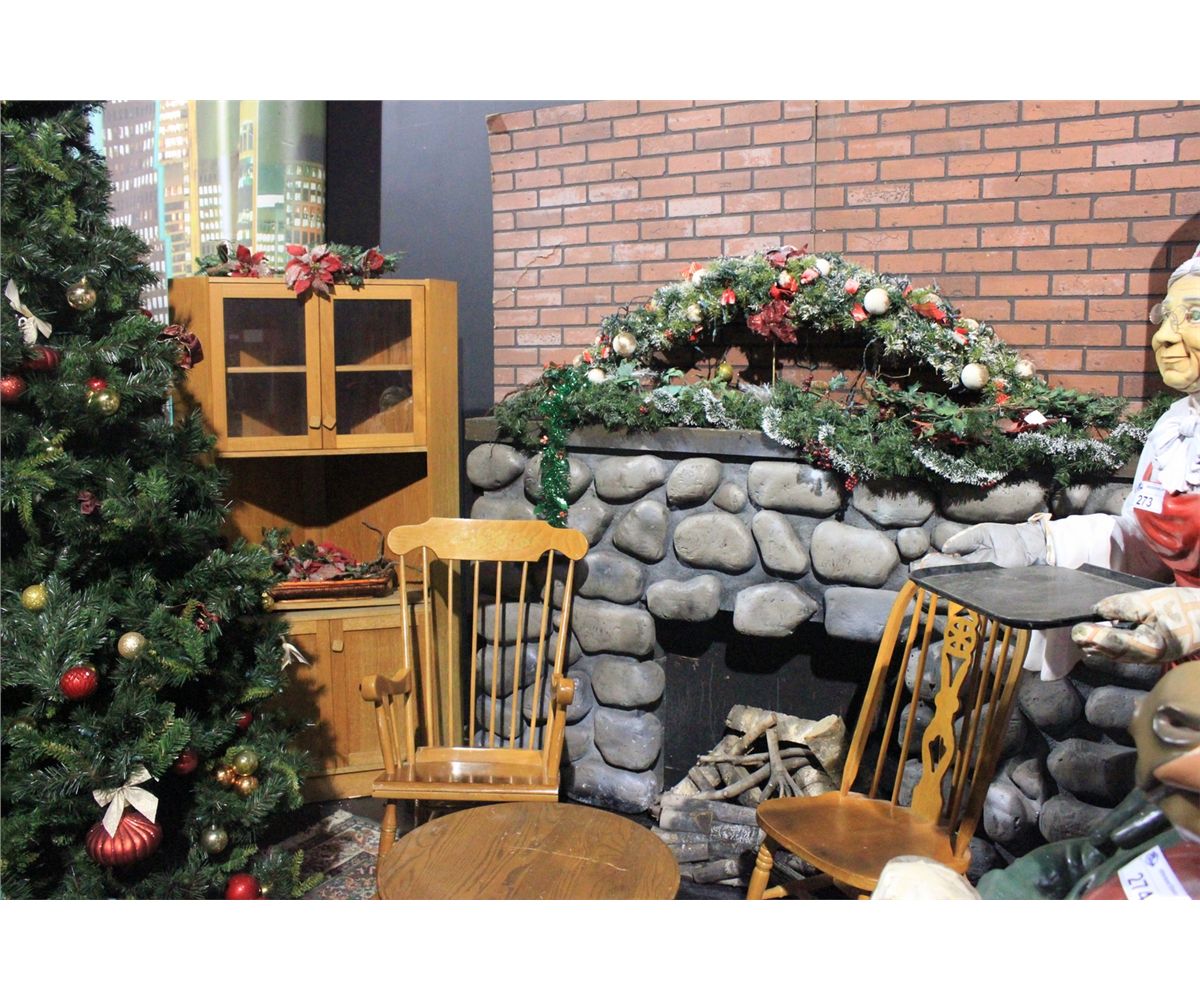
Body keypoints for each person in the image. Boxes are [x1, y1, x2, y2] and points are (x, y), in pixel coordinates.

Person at [940, 245, 1200, 678]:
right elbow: (1147, 547)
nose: (1163, 338)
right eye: (1165, 317)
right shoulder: (1176, 428)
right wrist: (1041, 544)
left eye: (1194, 315)